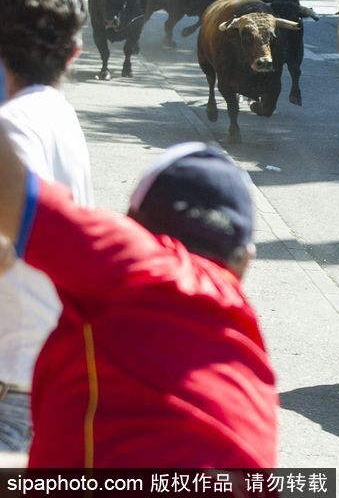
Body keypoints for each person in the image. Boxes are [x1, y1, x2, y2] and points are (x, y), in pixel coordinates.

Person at [0, 132, 278, 467]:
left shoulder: (135, 260)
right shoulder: (252, 363)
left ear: (131, 222)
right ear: (245, 260)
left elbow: (10, 189)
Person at [0, 0, 93, 455]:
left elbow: (16, 243)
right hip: (43, 370)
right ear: (74, 52)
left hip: (11, 382)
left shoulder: (11, 127)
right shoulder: (57, 112)